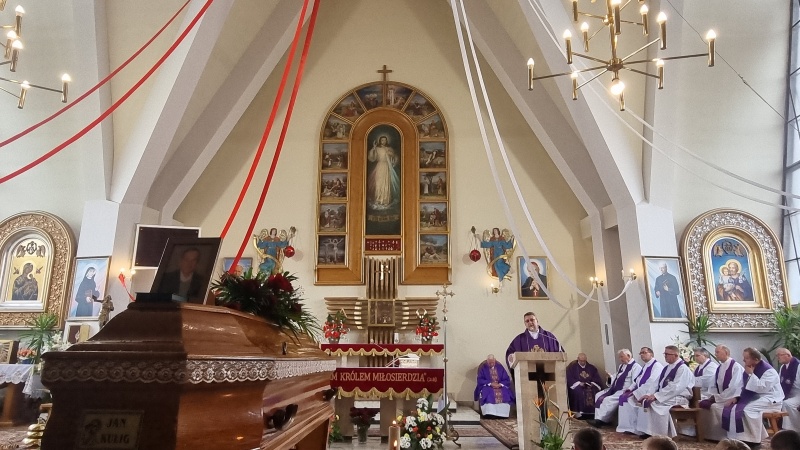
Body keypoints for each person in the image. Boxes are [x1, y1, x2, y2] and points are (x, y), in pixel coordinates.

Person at [718, 347, 783, 447]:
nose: (743, 360)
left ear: (756, 359)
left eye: (746, 358)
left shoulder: (769, 371)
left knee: (747, 409)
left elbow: (762, 388)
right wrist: (736, 398)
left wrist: (751, 374)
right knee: (734, 407)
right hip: (756, 397)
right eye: (744, 357)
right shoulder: (750, 368)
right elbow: (741, 385)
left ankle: (754, 440)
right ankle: (737, 438)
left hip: (771, 398)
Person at [634, 345, 694, 438]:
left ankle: (660, 434)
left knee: (654, 403)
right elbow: (656, 383)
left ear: (676, 355)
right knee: (646, 401)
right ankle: (649, 431)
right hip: (667, 395)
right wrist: (648, 394)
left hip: (679, 397)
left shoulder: (682, 368)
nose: (665, 356)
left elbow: (676, 387)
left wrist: (656, 396)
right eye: (664, 354)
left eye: (667, 354)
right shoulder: (666, 368)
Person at [699, 345, 746, 442]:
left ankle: (721, 436)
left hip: (732, 398)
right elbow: (713, 385)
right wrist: (713, 396)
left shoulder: (736, 367)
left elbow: (733, 387)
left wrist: (717, 398)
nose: (715, 354)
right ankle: (710, 435)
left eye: (717, 352)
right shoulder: (720, 367)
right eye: (715, 352)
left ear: (726, 353)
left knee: (715, 407)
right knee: (703, 403)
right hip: (722, 397)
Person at [616, 347, 664, 435]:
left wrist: (637, 393)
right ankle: (630, 427)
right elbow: (637, 379)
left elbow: (651, 382)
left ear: (651, 354)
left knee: (631, 400)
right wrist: (630, 389)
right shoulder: (646, 366)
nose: (642, 355)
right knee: (624, 398)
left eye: (644, 352)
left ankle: (642, 430)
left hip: (649, 392)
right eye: (641, 353)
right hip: (640, 390)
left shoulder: (657, 366)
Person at [591, 348, 642, 427]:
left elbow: (636, 381)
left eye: (621, 356)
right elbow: (616, 377)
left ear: (628, 356)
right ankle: (598, 418)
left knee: (608, 400)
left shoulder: (636, 367)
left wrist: (629, 390)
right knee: (598, 395)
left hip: (625, 389)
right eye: (619, 357)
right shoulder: (622, 366)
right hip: (615, 388)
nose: (620, 359)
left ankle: (601, 420)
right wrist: (610, 377)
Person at [474, 354, 515, 418]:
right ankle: (489, 413)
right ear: (487, 361)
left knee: (505, 392)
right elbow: (480, 379)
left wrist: (500, 384)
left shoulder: (500, 368)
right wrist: (490, 383)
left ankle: (503, 414)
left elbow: (506, 379)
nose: (491, 364)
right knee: (488, 392)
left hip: (500, 386)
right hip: (488, 386)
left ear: (495, 360)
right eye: (489, 363)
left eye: (492, 362)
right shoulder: (483, 368)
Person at [367, 135, 400, 210]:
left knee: (386, 182)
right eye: (382, 140)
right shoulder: (377, 148)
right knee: (379, 182)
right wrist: (374, 148)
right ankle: (378, 199)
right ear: (380, 141)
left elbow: (394, 157)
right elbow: (372, 158)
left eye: (385, 140)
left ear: (386, 141)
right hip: (380, 166)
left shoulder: (389, 148)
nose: (383, 141)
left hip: (387, 166)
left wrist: (390, 154)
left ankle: (385, 200)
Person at [567, 353, 603, 419]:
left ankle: (593, 413)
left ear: (586, 359)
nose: (583, 362)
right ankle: (579, 413)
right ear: (578, 359)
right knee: (578, 392)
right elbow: (570, 379)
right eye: (581, 361)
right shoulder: (572, 368)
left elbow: (596, 378)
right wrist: (579, 383)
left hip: (590, 385)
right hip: (578, 385)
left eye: (584, 361)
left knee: (595, 392)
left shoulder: (592, 368)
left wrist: (593, 383)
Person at [776, 348, 800, 431]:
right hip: (787, 394)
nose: (778, 358)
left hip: (798, 394)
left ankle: (793, 429)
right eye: (777, 356)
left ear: (788, 355)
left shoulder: (798, 366)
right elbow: (779, 382)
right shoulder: (783, 367)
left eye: (779, 355)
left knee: (787, 404)